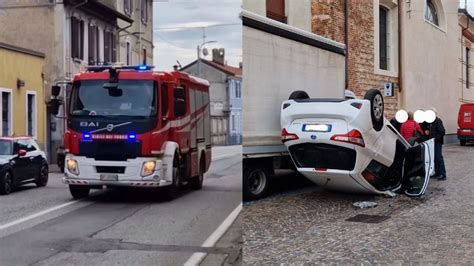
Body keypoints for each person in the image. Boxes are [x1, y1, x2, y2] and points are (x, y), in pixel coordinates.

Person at [425, 107, 447, 180]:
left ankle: (442, 174)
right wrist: (428, 132)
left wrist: (435, 138)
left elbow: (442, 131)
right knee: (434, 158)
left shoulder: (437, 120)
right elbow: (433, 131)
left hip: (437, 142)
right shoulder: (431, 121)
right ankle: (437, 172)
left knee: (438, 157)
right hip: (432, 142)